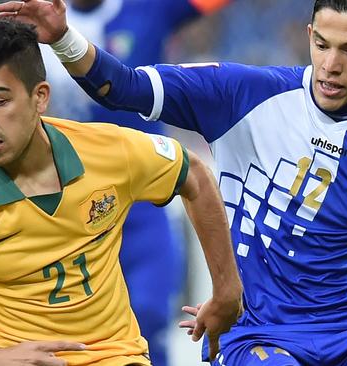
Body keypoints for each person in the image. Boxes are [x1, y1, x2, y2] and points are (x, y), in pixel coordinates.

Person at [0, 0, 347, 365]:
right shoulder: (241, 93)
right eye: (322, 45)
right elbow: (123, 87)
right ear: (308, 36)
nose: (330, 65)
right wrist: (64, 39)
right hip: (261, 330)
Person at [0, 19, 242, 366]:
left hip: (116, 357)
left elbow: (194, 174)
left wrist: (228, 291)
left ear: (40, 97)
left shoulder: (107, 152)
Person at [39, 1, 230, 365]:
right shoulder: (36, 21)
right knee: (73, 333)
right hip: (70, 203)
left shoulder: (148, 8)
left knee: (150, 314)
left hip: (142, 196)